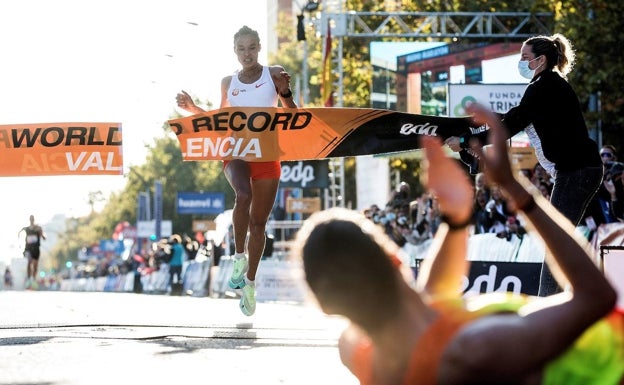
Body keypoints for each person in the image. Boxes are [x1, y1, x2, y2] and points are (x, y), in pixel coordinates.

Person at [293, 103, 623, 385]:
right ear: (395, 258)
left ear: (326, 306)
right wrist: (517, 189)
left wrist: (456, 218)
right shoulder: (477, 348)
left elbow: (434, 301)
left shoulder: (358, 352)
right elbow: (596, 297)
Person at [444, 34, 603, 296]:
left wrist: (465, 140)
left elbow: (509, 126)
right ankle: (564, 296)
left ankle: (549, 301)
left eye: (525, 57)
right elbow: (511, 119)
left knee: (555, 240)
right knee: (559, 239)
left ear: (540, 60)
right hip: (579, 169)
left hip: (577, 171)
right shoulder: (548, 85)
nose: (520, 62)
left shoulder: (543, 87)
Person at [176, 25, 296, 316]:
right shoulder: (228, 82)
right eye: (241, 48)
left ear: (258, 48)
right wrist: (193, 109)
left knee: (258, 225)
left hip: (267, 154)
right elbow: (220, 123)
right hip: (237, 152)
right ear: (235, 51)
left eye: (251, 47)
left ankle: (251, 283)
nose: (247, 53)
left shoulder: (274, 72)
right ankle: (238, 255)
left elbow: (293, 116)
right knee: (242, 195)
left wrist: (285, 93)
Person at [19, 215, 46, 289]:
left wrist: (41, 232)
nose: (31, 220)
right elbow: (19, 233)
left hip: (36, 249)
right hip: (28, 248)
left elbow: (43, 237)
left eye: (32, 219)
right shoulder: (26, 228)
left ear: (34, 219)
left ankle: (33, 279)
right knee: (29, 261)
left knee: (35, 266)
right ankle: (28, 278)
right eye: (30, 219)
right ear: (29, 219)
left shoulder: (38, 228)